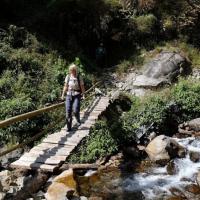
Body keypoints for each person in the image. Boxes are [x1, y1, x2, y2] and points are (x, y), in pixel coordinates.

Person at [61, 64, 85, 132]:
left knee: (75, 110)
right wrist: (63, 95)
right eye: (71, 70)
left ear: (76, 70)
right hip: (68, 95)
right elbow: (65, 86)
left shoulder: (79, 77)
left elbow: (82, 86)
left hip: (77, 95)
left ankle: (78, 120)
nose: (73, 71)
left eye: (74, 70)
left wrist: (83, 95)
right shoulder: (68, 77)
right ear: (70, 70)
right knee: (68, 111)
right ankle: (69, 127)